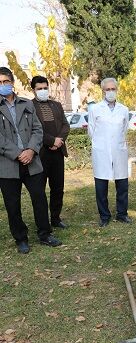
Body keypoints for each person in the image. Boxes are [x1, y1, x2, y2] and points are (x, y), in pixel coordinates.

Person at [0, 67, 62, 253]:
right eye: (0, 83)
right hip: (8, 164)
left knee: (39, 198)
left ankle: (45, 233)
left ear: (12, 83)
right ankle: (21, 238)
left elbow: (38, 129)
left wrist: (31, 150)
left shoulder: (26, 104)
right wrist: (18, 153)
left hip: (32, 160)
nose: (3, 85)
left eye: (6, 82)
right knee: (12, 204)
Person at [88, 77, 131, 227]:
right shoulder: (95, 109)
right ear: (103, 91)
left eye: (113, 89)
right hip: (102, 151)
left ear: (117, 90)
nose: (111, 92)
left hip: (119, 150)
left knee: (122, 184)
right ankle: (104, 216)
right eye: (108, 89)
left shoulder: (124, 109)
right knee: (101, 185)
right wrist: (102, 143)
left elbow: (124, 129)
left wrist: (115, 142)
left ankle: (122, 213)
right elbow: (91, 131)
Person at [31, 75, 70, 229]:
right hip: (40, 155)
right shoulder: (29, 106)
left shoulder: (57, 105)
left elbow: (66, 126)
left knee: (58, 188)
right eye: (39, 89)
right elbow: (34, 130)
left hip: (57, 153)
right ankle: (43, 221)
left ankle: (55, 217)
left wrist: (59, 140)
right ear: (33, 90)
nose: (43, 91)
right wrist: (51, 141)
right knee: (39, 191)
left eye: (45, 88)